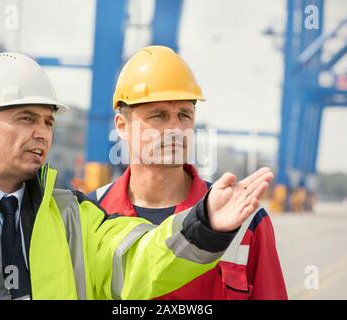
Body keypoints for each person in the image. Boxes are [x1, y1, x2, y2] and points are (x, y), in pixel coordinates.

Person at [0, 52, 274, 300]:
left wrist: (205, 225)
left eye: (48, 122)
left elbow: (140, 261)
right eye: (27, 119)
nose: (42, 133)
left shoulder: (75, 216)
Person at [88, 46, 288, 300]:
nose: (175, 128)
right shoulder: (91, 218)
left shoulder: (246, 221)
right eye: (159, 115)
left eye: (184, 115)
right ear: (122, 126)